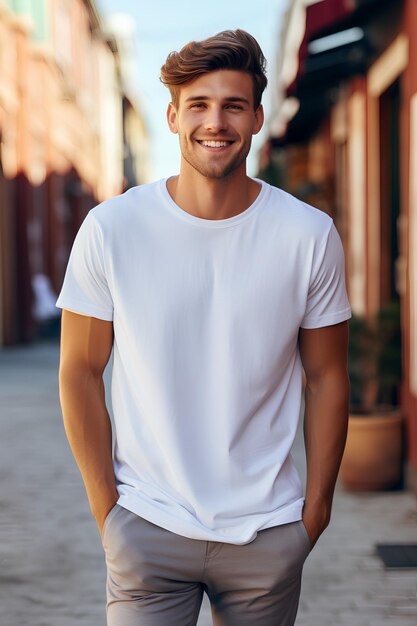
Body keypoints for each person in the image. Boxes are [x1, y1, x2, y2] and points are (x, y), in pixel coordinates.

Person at [57, 29, 351, 626]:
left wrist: (313, 514)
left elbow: (326, 376)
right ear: (172, 116)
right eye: (199, 105)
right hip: (148, 526)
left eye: (233, 105)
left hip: (267, 531)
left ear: (257, 117)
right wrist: (107, 513)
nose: (215, 122)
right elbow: (79, 371)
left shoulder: (307, 235)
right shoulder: (112, 229)